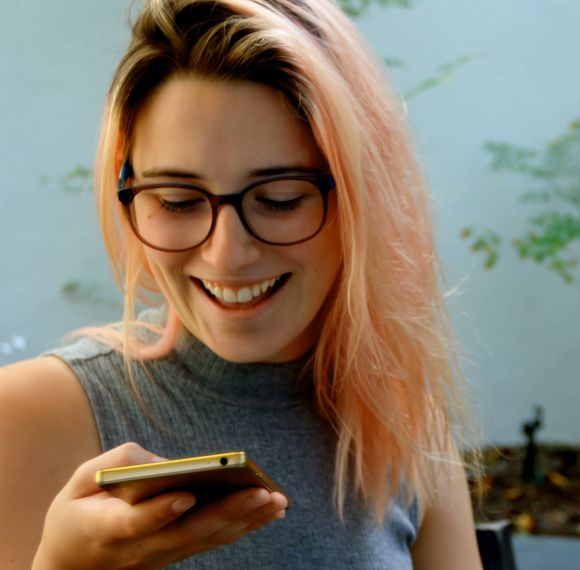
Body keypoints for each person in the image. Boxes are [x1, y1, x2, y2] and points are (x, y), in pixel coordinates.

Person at [0, 0, 483, 567]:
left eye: (280, 199)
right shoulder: (27, 415)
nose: (226, 253)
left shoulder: (401, 416)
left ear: (362, 200)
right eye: (177, 201)